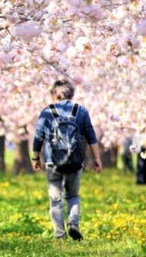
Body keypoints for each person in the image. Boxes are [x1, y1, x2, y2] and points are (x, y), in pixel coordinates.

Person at [29, 79, 103, 241]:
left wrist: (35, 158)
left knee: (55, 199)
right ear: (72, 94)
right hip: (75, 162)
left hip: (53, 162)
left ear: (55, 95)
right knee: (73, 196)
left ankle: (59, 235)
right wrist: (97, 158)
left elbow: (38, 138)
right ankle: (73, 224)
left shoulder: (47, 112)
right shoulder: (81, 111)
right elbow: (91, 137)